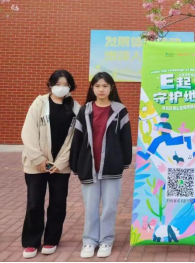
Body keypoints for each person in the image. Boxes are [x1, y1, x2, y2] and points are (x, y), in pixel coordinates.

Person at [70, 72, 132, 259]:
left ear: (111, 88)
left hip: (111, 166)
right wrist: (75, 164)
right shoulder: (85, 110)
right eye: (97, 86)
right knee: (90, 207)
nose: (101, 89)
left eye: (105, 86)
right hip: (89, 166)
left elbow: (126, 139)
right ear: (92, 88)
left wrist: (124, 161)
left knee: (109, 207)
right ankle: (89, 241)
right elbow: (77, 139)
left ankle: (106, 240)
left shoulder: (120, 110)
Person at [21, 70, 81, 259]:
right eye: (58, 84)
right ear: (50, 84)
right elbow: (28, 132)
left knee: (58, 203)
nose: (61, 88)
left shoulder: (76, 108)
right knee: (34, 203)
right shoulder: (39, 103)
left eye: (66, 84)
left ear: (71, 87)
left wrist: (61, 162)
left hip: (59, 167)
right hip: (36, 164)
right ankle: (31, 242)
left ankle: (51, 240)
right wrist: (38, 159)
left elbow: (74, 140)